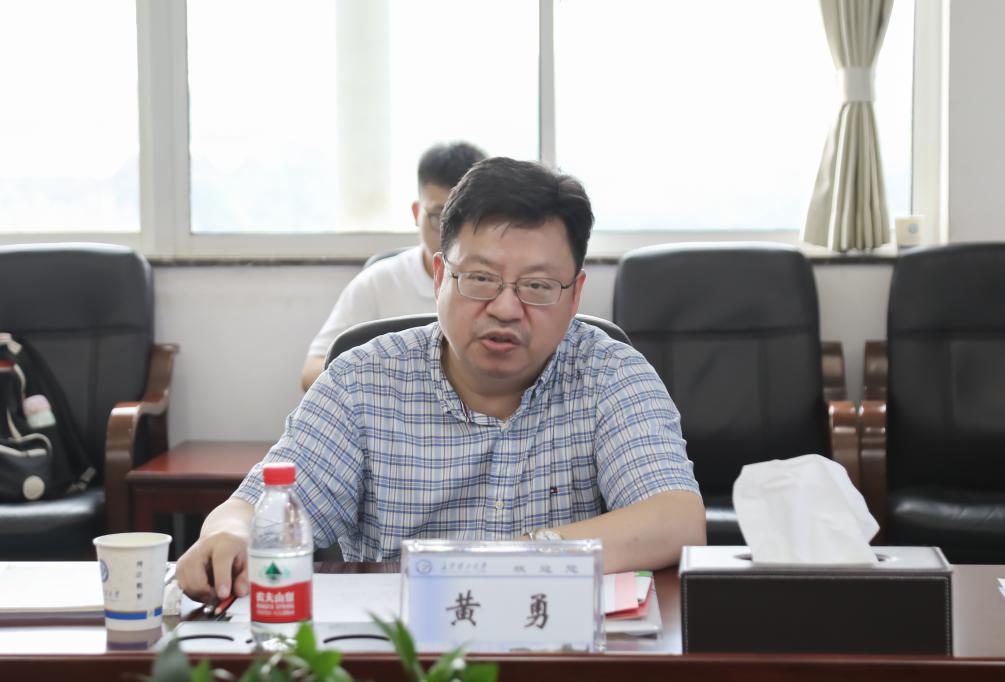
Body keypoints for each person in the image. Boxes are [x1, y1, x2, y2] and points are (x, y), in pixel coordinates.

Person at [178, 157, 706, 602]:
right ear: (439, 277)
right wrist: (228, 534)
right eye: (480, 278)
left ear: (574, 296)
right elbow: (258, 506)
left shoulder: (610, 374)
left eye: (537, 286)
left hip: (558, 653)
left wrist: (520, 556)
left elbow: (677, 520)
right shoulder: (364, 381)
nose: (505, 308)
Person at [301, 142, 487, 390]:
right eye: (438, 217)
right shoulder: (378, 282)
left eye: (465, 218)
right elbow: (312, 372)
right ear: (416, 213)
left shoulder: (504, 288)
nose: (450, 233)